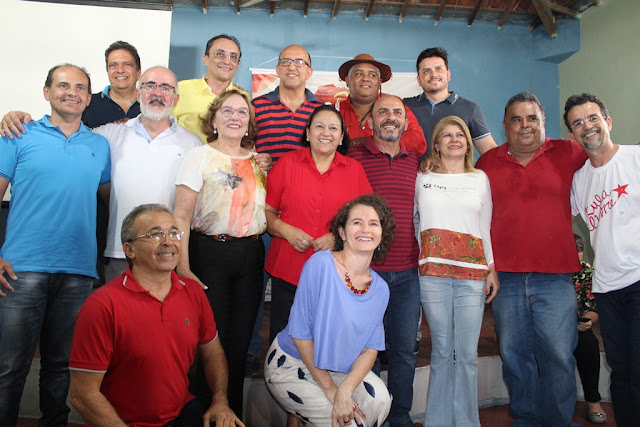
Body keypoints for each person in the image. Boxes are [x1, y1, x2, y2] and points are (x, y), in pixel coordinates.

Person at [0, 66, 203, 283]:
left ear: (176, 98)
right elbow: (69, 133)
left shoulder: (193, 144)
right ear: (138, 94)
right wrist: (14, 117)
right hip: (119, 253)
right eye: (150, 85)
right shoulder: (108, 134)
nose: (157, 93)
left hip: (167, 254)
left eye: (166, 87)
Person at [0, 64, 111, 426]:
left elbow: (111, 200)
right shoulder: (17, 134)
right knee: (9, 366)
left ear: (89, 98)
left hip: (78, 271)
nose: (71, 93)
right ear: (46, 92)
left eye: (80, 88)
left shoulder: (99, 145)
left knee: (61, 367)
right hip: (20, 269)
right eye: (63, 85)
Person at [69, 204, 243, 427]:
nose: (168, 241)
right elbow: (82, 395)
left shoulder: (193, 292)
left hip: (181, 413)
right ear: (129, 250)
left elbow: (212, 353)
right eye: (155, 234)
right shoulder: (102, 305)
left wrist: (220, 401)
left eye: (173, 233)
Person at [475, 92, 588, 425]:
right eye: (517, 119)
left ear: (543, 122)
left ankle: (558, 421)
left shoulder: (569, 152)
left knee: (558, 356)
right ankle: (525, 418)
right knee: (514, 356)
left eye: (532, 118)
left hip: (555, 277)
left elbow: (606, 163)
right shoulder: (487, 163)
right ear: (505, 126)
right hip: (506, 279)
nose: (525, 125)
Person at [173, 89, 266, 418]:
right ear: (213, 119)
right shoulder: (198, 156)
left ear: (249, 122)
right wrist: (183, 268)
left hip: (251, 255)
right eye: (227, 111)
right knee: (210, 342)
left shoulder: (257, 161)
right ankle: (204, 415)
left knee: (240, 344)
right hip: (208, 254)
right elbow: (181, 216)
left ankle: (232, 416)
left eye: (242, 112)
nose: (234, 117)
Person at [265, 194, 394, 427]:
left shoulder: (381, 289)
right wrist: (331, 390)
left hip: (339, 370)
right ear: (342, 233)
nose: (366, 229)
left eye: (373, 224)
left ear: (382, 234)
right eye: (357, 222)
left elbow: (370, 349)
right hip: (293, 364)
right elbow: (300, 334)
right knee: (346, 423)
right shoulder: (320, 265)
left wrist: (345, 389)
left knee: (379, 402)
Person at [415, 116, 499, 426]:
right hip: (432, 276)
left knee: (466, 355)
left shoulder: (480, 178)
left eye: (460, 135)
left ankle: (466, 422)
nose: (454, 140)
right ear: (436, 144)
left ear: (467, 143)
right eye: (447, 135)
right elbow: (415, 221)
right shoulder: (422, 176)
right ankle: (437, 421)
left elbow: (484, 227)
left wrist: (491, 268)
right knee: (440, 351)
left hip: (472, 276)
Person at [264, 105, 372, 343]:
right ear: (307, 132)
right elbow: (266, 212)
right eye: (319, 126)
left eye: (333, 128)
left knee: (327, 342)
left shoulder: (354, 170)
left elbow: (365, 221)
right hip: (288, 270)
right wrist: (286, 230)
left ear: (341, 137)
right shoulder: (287, 163)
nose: (326, 133)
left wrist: (337, 238)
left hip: (337, 274)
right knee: (284, 342)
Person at [566, 92, 640, 426]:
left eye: (593, 118)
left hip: (638, 280)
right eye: (578, 123)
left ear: (608, 122)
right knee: (620, 372)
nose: (587, 126)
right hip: (607, 289)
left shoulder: (635, 159)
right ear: (572, 135)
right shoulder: (579, 179)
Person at [348, 95, 421, 427]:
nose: (390, 118)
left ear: (405, 121)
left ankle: (401, 416)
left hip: (408, 274)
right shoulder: (353, 156)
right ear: (371, 120)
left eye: (397, 113)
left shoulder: (418, 161)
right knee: (367, 351)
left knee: (405, 351)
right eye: (383, 112)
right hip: (367, 273)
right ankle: (371, 416)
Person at [403, 47, 497, 156]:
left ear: (448, 75)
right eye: (426, 71)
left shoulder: (471, 109)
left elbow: (489, 151)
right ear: (419, 80)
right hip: (413, 168)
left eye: (439, 69)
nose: (433, 75)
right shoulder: (405, 107)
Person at [335, 53, 426, 156]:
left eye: (372, 75)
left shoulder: (395, 105)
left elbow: (418, 143)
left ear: (379, 82)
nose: (365, 78)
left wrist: (372, 141)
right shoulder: (335, 110)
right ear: (347, 80)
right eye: (359, 74)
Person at [252, 44, 323, 163]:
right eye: (286, 61)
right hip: (268, 175)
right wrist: (255, 161)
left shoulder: (321, 111)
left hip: (307, 175)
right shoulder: (256, 106)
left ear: (309, 72)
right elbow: (242, 149)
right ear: (277, 70)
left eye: (299, 62)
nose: (291, 67)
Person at [172, 34, 248, 144]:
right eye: (220, 54)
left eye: (233, 57)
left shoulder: (243, 98)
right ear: (205, 59)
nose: (227, 61)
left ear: (237, 64)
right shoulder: (181, 90)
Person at [572, 234, 607, 424]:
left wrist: (588, 321)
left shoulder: (586, 271)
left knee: (588, 344)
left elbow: (593, 308)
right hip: (550, 325)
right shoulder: (549, 272)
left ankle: (593, 401)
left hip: (576, 325)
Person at [82, 40, 142, 128]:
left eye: (127, 64)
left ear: (138, 72)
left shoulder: (151, 104)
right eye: (113, 65)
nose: (120, 70)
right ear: (107, 71)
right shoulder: (88, 104)